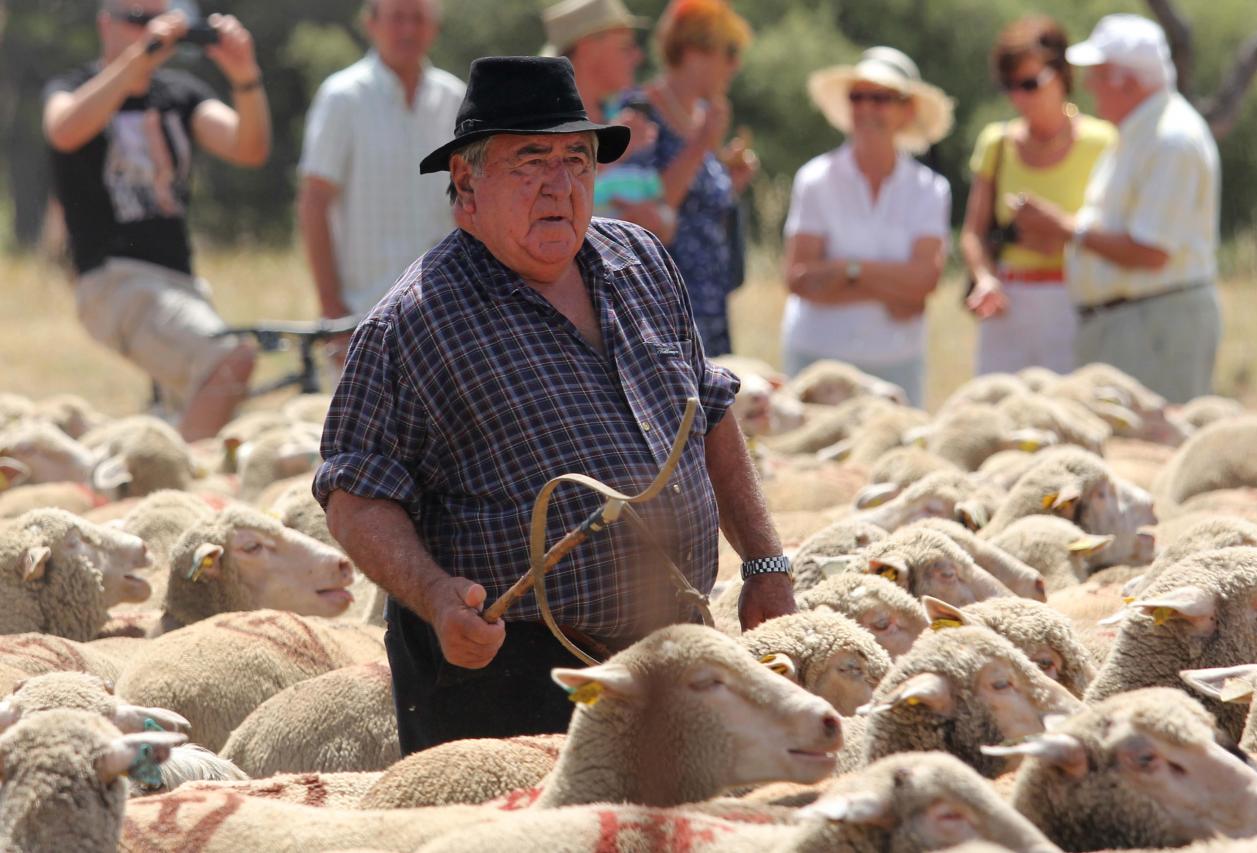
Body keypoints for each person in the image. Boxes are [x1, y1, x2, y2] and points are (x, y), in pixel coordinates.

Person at [314, 57, 794, 754]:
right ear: (466, 185)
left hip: (672, 652)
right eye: (529, 161)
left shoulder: (640, 262)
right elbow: (354, 493)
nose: (559, 185)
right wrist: (438, 595)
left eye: (576, 160)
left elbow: (710, 409)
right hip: (509, 685)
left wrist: (765, 562)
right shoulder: (415, 322)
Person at [42, 0, 270, 441]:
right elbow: (63, 130)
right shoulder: (73, 86)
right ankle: (180, 491)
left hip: (179, 283)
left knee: (199, 405)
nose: (150, 30)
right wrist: (139, 57)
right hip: (115, 280)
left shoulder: (180, 94)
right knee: (229, 362)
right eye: (137, 19)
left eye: (159, 19)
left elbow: (249, 147)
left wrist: (245, 75)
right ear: (105, 24)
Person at [1012, 14, 1221, 404]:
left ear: (1126, 81)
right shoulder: (1143, 134)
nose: (1089, 86)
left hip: (1153, 326)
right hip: (1138, 323)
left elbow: (1152, 251)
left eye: (1098, 74)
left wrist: (1065, 229)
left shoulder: (1170, 140)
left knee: (1151, 456)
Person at [780, 47, 952, 407]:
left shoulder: (930, 189)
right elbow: (798, 278)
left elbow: (925, 281)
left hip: (896, 362)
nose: (866, 108)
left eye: (880, 98)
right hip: (818, 363)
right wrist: (894, 288)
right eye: (858, 97)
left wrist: (844, 271)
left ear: (907, 110)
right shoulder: (815, 179)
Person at [297, 0, 464, 339]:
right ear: (370, 24)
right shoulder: (342, 97)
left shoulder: (456, 97)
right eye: (397, 18)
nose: (408, 30)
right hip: (365, 315)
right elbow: (314, 202)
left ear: (435, 27)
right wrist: (332, 309)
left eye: (418, 18)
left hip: (448, 311)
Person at [961, 16, 1115, 376]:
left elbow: (1118, 230)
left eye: (1030, 84)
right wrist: (984, 278)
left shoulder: (1103, 142)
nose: (1019, 97)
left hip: (1077, 302)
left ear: (1062, 74)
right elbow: (973, 232)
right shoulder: (996, 143)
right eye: (1009, 86)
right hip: (1008, 305)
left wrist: (1059, 230)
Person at [622, 0, 758, 357]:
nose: (735, 65)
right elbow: (647, 210)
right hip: (666, 301)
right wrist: (701, 144)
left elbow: (697, 205)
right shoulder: (640, 113)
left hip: (710, 299)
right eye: (729, 52)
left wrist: (730, 179)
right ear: (694, 51)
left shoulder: (699, 114)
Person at [540, 0, 675, 243]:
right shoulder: (537, 127)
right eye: (626, 47)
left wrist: (657, 220)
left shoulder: (629, 122)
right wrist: (616, 152)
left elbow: (665, 220)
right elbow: (538, 210)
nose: (638, 56)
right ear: (588, 48)